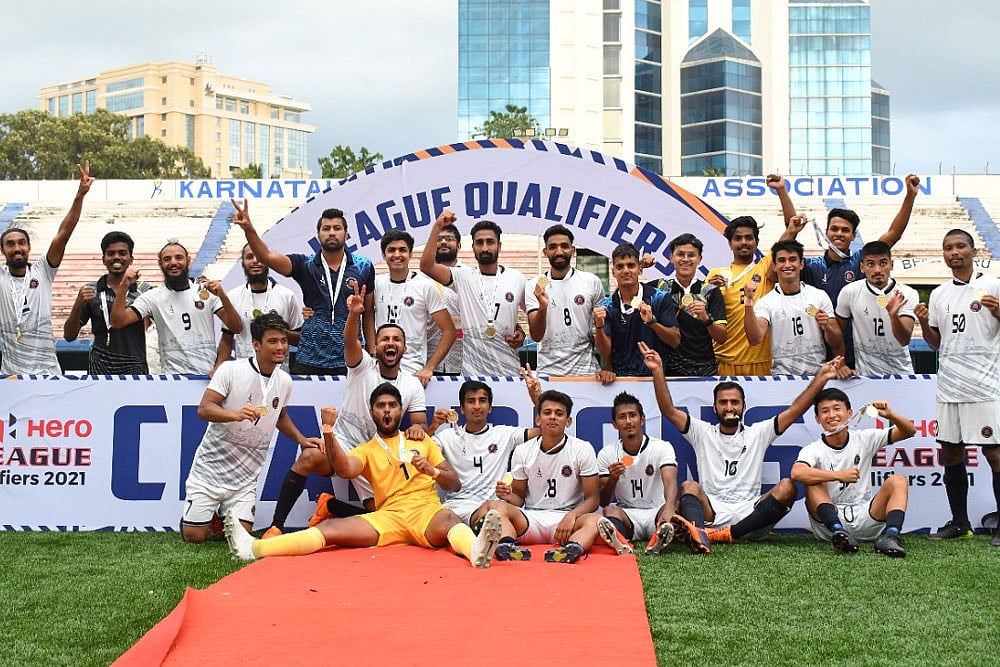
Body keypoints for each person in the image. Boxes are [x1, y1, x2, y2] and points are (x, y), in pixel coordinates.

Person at [225, 383, 504, 569]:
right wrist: (329, 431)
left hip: (426, 511)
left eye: (392, 405)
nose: (386, 410)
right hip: (388, 517)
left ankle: (476, 551)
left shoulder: (421, 440)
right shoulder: (366, 449)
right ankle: (255, 548)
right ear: (372, 411)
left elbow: (453, 483)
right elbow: (344, 469)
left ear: (400, 410)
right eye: (380, 405)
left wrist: (431, 470)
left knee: (448, 519)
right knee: (331, 530)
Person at [642, 340, 843, 551]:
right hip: (714, 513)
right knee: (689, 487)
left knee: (787, 486)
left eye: (734, 402)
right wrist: (658, 371)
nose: (729, 407)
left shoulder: (758, 432)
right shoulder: (702, 432)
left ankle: (726, 535)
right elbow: (668, 411)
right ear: (715, 407)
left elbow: (794, 411)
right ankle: (700, 534)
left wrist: (820, 379)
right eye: (723, 402)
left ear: (743, 406)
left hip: (752, 516)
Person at [264, 282, 426, 537]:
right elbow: (349, 339)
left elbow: (419, 422)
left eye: (396, 339)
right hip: (342, 444)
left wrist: (418, 428)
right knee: (307, 457)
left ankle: (331, 505)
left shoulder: (412, 384)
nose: (390, 343)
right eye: (385, 339)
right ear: (376, 346)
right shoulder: (361, 365)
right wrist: (354, 314)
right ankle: (276, 526)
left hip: (377, 455)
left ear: (404, 349)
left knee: (381, 516)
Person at [181, 314, 321, 543]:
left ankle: (221, 513)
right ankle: (210, 515)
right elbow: (204, 409)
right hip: (209, 471)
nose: (281, 346)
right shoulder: (230, 370)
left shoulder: (284, 380)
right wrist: (234, 415)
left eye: (284, 341)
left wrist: (301, 439)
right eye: (273, 341)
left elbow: (280, 415)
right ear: (256, 344)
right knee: (194, 537)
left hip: (245, 478)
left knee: (241, 538)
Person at [915, 229, 1000, 545]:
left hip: (985, 384)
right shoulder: (939, 294)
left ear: (973, 250)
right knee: (950, 454)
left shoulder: (992, 286)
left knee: (994, 455)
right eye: (948, 247)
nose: (955, 252)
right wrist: (923, 322)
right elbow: (935, 344)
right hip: (949, 385)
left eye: (960, 246)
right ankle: (960, 523)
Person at [474, 389, 625, 564]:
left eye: (559, 413)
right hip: (531, 519)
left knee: (595, 519)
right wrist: (508, 495)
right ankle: (507, 546)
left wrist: (572, 516)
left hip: (567, 521)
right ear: (538, 419)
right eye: (547, 413)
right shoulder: (523, 451)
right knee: (496, 507)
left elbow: (593, 499)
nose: (553, 417)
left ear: (568, 421)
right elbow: (518, 498)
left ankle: (572, 548)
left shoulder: (582, 449)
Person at [230, 198, 375, 375]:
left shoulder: (364, 266)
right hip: (310, 356)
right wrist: (249, 229)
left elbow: (368, 315)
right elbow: (266, 257)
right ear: (318, 234)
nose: (331, 233)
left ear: (346, 234)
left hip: (350, 356)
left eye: (337, 228)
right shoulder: (305, 264)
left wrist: (373, 351)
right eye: (326, 228)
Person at [791, 174, 921, 367]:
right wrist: (792, 228)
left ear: (853, 236)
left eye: (845, 230)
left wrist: (910, 196)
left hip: (855, 354)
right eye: (834, 229)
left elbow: (894, 234)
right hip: (817, 349)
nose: (838, 234)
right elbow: (783, 258)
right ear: (826, 232)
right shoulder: (811, 266)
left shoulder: (861, 261)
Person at [427, 375, 542, 558]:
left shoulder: (504, 434)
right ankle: (491, 539)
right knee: (493, 509)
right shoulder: (447, 437)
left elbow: (545, 430)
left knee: (495, 508)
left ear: (489, 407)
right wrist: (433, 427)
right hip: (459, 507)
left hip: (495, 509)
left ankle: (506, 547)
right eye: (471, 401)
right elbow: (420, 449)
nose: (477, 406)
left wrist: (535, 396)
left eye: (482, 401)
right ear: (462, 408)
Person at [792, 390, 916, 556]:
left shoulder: (864, 438)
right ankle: (840, 533)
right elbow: (797, 473)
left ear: (849, 413)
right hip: (829, 527)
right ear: (817, 419)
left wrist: (890, 415)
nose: (832, 415)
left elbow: (909, 431)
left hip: (866, 517)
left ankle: (891, 537)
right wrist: (839, 475)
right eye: (825, 411)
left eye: (837, 409)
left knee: (898, 481)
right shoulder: (813, 449)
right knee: (813, 482)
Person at [704, 176, 805, 375]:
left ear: (756, 242)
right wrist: (709, 291)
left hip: (761, 361)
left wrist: (782, 191)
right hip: (724, 361)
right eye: (738, 238)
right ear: (729, 243)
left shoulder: (765, 268)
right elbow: (705, 315)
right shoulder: (716, 275)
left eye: (749, 238)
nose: (744, 242)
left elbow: (791, 230)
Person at [1, 162, 93, 375]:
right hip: (11, 374)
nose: (17, 248)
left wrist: (80, 195)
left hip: (47, 372)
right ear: (3, 251)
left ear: (28, 247)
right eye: (10, 244)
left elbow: (64, 233)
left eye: (21, 243)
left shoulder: (43, 270)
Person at [420, 211, 526, 377]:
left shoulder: (517, 278)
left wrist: (521, 331)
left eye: (490, 242)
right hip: (472, 373)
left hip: (509, 372)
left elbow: (530, 318)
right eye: (479, 243)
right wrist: (437, 227)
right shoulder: (462, 276)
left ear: (499, 246)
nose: (484, 248)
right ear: (473, 247)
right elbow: (426, 266)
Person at [111, 242, 242, 375]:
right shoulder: (152, 297)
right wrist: (124, 286)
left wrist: (223, 297)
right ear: (160, 263)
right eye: (167, 259)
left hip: (206, 378)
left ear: (188, 260)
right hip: (172, 379)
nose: (173, 262)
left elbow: (236, 327)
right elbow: (118, 322)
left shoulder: (206, 292)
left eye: (179, 258)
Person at [744, 239, 845, 376]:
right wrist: (748, 302)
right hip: (782, 378)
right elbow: (755, 339)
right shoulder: (766, 302)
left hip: (817, 376)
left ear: (801, 264)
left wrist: (827, 326)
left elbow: (837, 341)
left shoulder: (818, 296)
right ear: (774, 266)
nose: (787, 265)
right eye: (781, 260)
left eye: (792, 259)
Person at [597, 391, 679, 556]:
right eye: (622, 417)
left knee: (675, 505)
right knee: (609, 510)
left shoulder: (662, 447)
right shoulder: (607, 453)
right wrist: (613, 478)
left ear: (642, 419)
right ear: (614, 424)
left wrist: (669, 507)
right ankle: (620, 541)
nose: (628, 421)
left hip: (657, 510)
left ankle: (659, 536)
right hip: (628, 513)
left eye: (632, 415)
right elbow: (604, 500)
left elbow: (670, 481)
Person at [64, 231, 152, 374]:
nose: (116, 257)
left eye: (122, 253)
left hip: (135, 367)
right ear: (103, 259)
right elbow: (69, 336)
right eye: (111, 253)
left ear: (131, 259)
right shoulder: (91, 291)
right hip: (100, 368)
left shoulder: (145, 291)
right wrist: (77, 306)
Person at [375, 229, 455, 386]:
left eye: (402, 250)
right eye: (391, 250)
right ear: (384, 255)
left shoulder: (425, 286)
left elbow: (449, 331)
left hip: (413, 370)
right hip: (379, 369)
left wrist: (429, 367)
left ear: (410, 254)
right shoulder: (376, 283)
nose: (397, 255)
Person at [211, 243, 304, 375]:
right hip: (244, 374)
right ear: (243, 263)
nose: (255, 261)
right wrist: (218, 367)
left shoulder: (287, 296)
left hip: (278, 374)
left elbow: (300, 339)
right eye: (249, 257)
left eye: (259, 256)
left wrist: (278, 332)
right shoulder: (232, 296)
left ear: (267, 260)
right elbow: (227, 339)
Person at [525, 224, 605, 376]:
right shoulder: (536, 285)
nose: (559, 251)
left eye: (564, 246)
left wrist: (607, 365)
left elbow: (603, 329)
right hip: (549, 372)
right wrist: (543, 308)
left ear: (573, 250)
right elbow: (536, 336)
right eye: (553, 247)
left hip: (585, 371)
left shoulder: (590, 281)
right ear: (545, 251)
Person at [594, 242, 679, 384]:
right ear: (613, 271)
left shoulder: (659, 298)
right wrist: (599, 326)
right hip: (621, 381)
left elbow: (675, 341)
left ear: (640, 268)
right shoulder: (606, 306)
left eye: (631, 265)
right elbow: (605, 352)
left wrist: (652, 322)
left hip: (657, 378)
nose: (626, 270)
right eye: (620, 266)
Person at [834, 241, 918, 375]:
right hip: (865, 376)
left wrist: (893, 315)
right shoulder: (849, 292)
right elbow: (837, 333)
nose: (877, 270)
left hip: (901, 375)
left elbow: (904, 340)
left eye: (883, 263)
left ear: (891, 265)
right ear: (862, 267)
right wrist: (841, 363)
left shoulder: (907, 293)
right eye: (871, 264)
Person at [655, 233, 727, 376]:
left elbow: (721, 337)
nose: (686, 259)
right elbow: (628, 293)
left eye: (691, 255)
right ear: (671, 258)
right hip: (669, 369)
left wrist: (706, 319)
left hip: (705, 369)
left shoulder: (711, 291)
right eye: (680, 254)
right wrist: (641, 267)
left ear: (699, 259)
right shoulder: (659, 288)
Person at [425, 222, 464, 375]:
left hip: (462, 360)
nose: (443, 242)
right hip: (427, 361)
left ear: (459, 245)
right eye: (439, 239)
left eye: (449, 238)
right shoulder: (420, 278)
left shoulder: (470, 276)